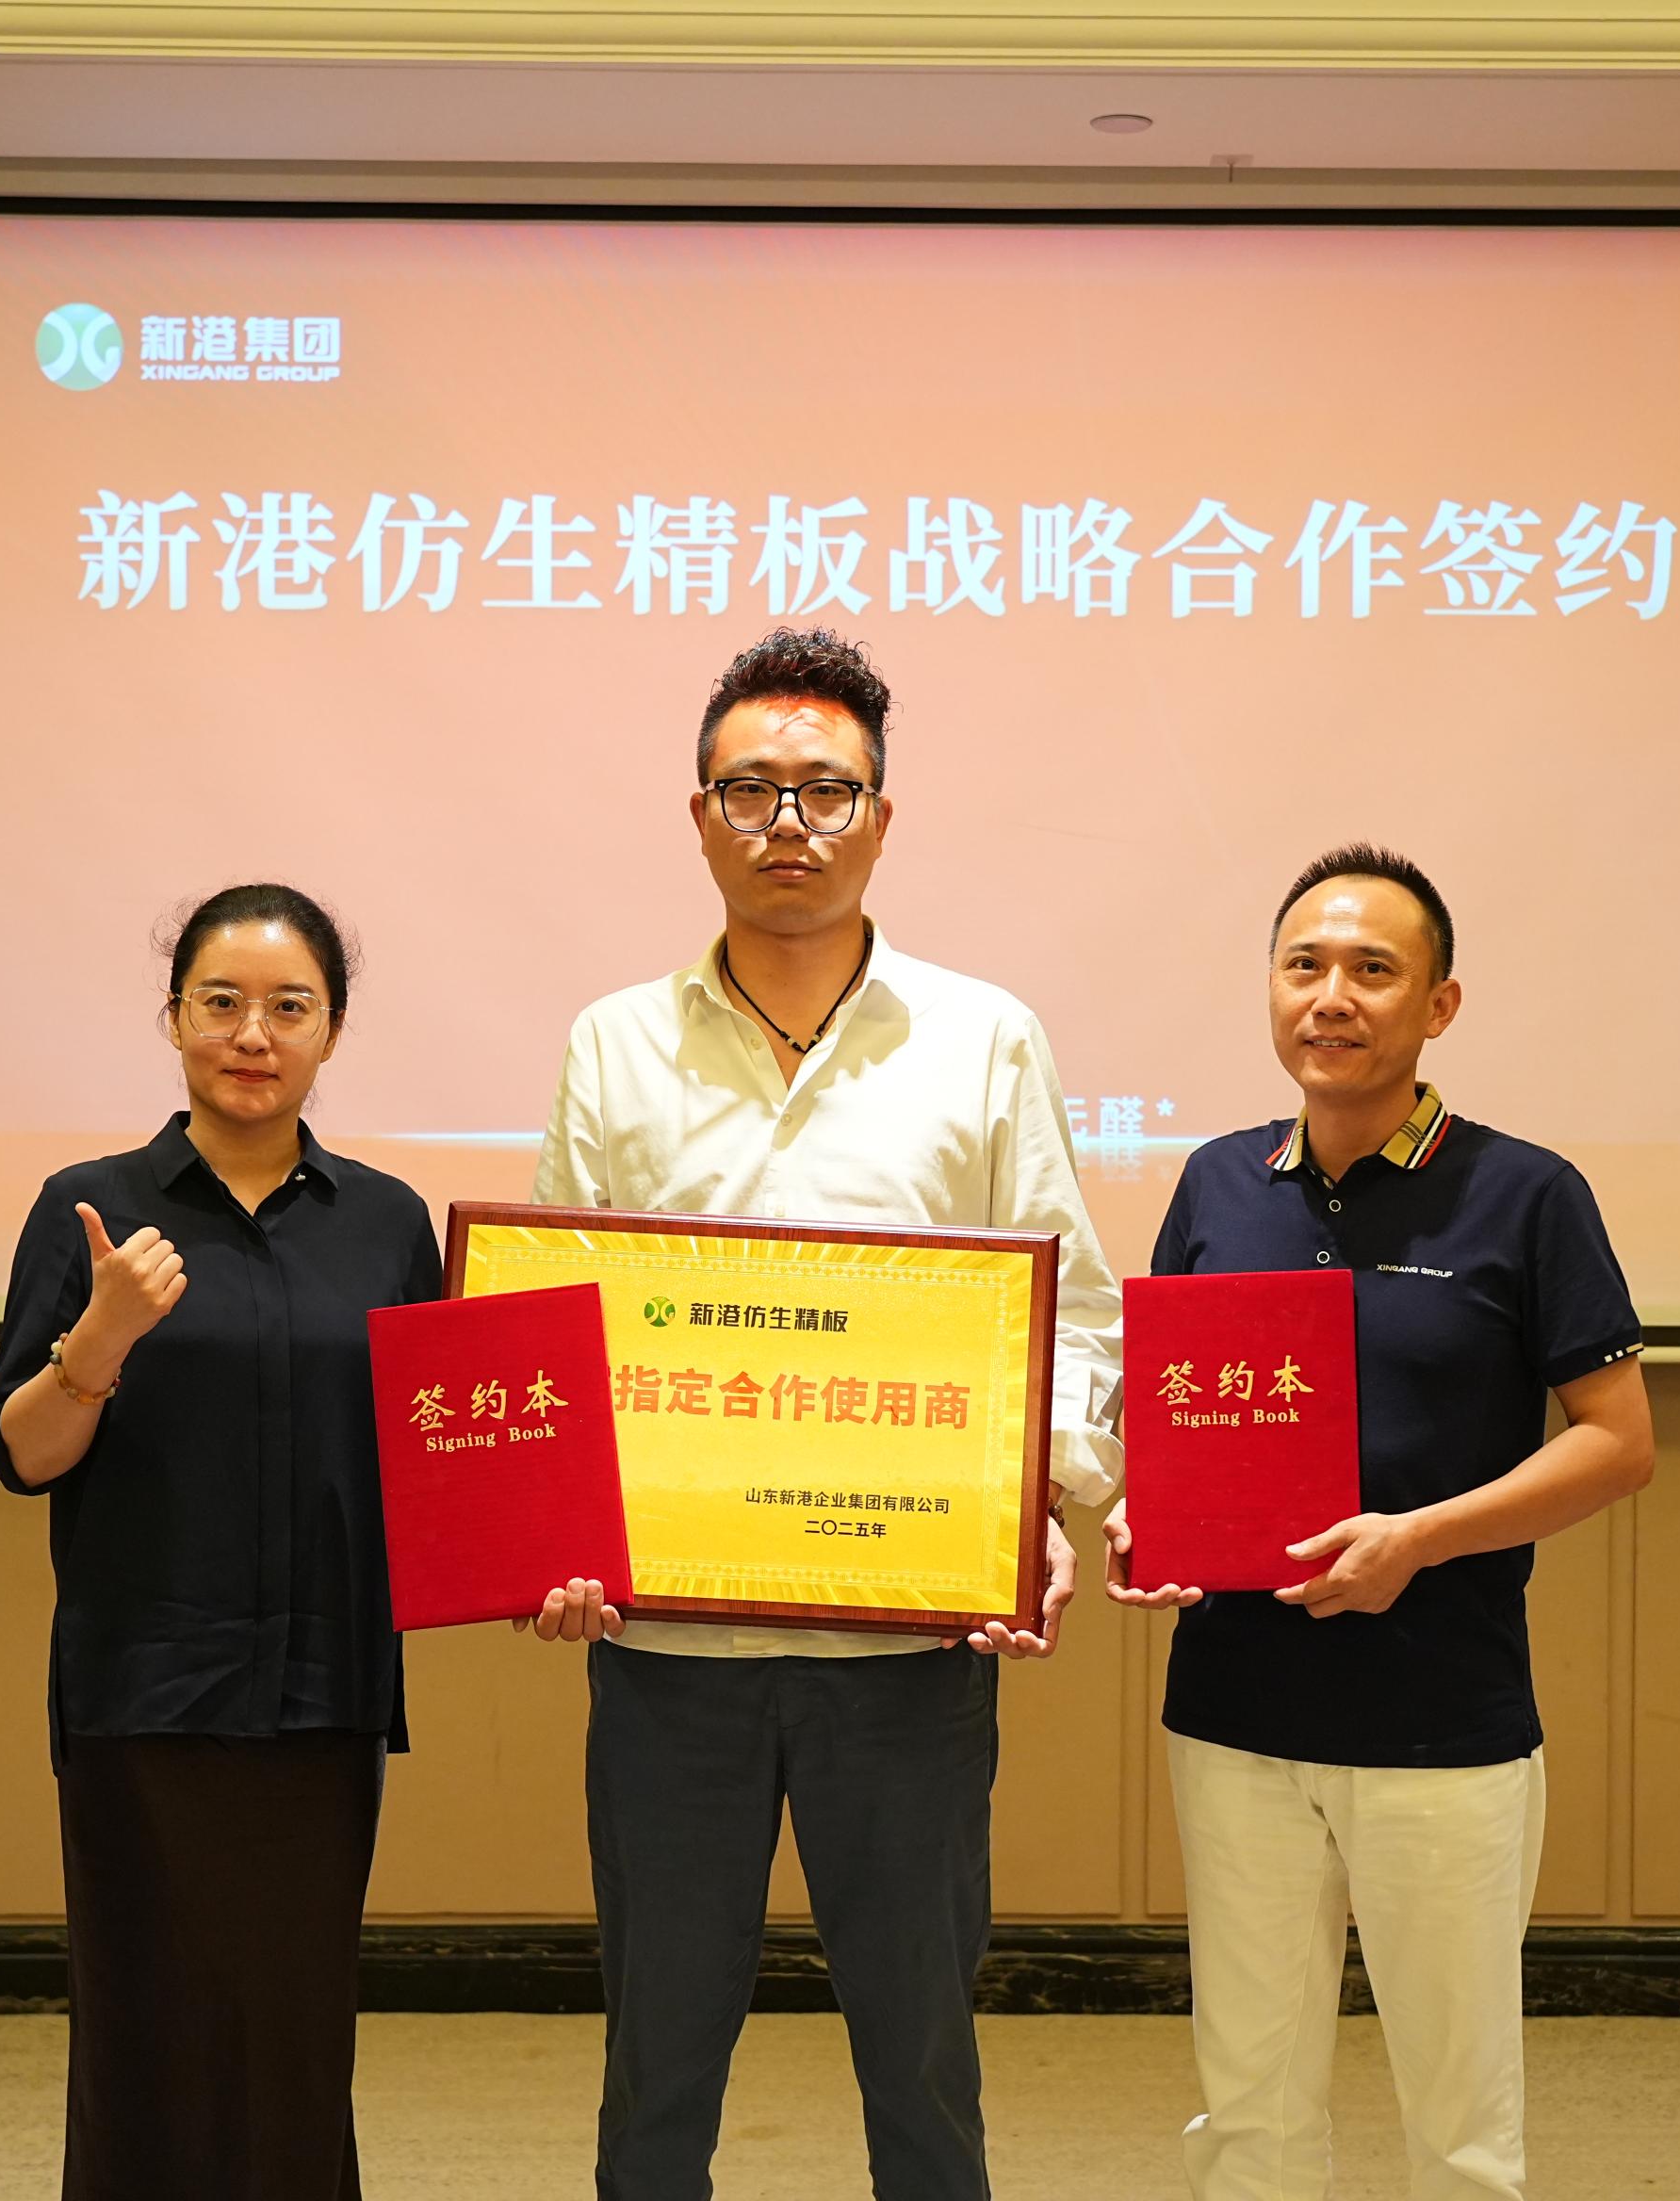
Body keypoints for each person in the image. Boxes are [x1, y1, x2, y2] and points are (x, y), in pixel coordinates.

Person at [522, 628, 1123, 2201]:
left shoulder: (983, 1038)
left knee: (921, 2062)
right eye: (752, 789)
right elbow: (548, 1342)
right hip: (670, 1652)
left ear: (881, 817)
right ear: (700, 815)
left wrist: (1037, 1511)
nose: (788, 822)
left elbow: (1073, 1313)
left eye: (826, 790)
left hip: (906, 1648)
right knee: (658, 2063)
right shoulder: (614, 1043)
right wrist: (546, 1532)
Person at [1103, 844, 1656, 2201]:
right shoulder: (1217, 1182)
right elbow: (1172, 1419)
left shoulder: (1527, 1192)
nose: (1332, 997)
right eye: (1304, 966)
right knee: (1248, 2104)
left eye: (1372, 970)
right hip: (1235, 1715)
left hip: (1440, 1722)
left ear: (1439, 1005)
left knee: (1459, 2124)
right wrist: (1144, 1522)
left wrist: (1416, 1540)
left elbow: (1618, 1442)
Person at [0, 883, 441, 2201]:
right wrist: (100, 1338)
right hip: (145, 1691)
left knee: (294, 2044)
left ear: (331, 1031)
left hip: (323, 1691)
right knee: (149, 2043)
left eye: (289, 1007)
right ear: (173, 1017)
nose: (253, 1034)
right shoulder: (90, 1206)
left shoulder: (386, 1222)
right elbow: (23, 1453)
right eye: (221, 1002)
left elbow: (443, 1450)